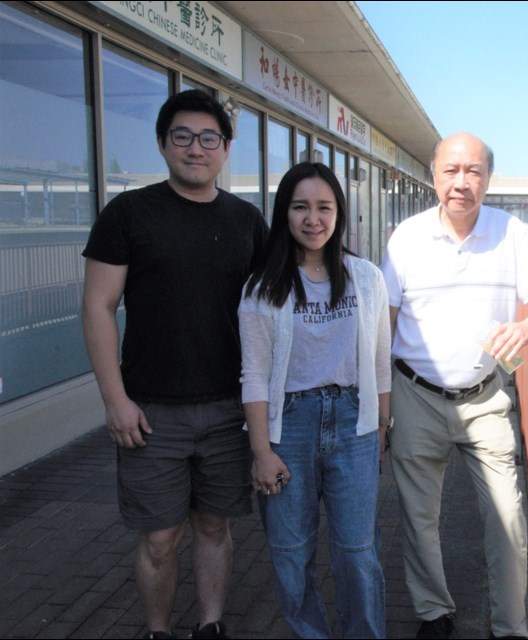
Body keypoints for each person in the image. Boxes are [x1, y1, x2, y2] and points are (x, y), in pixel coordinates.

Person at [81, 89, 268, 639]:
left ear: (226, 149)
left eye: (209, 138)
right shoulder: (128, 214)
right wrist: (115, 401)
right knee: (160, 538)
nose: (195, 148)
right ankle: (158, 630)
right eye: (182, 136)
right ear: (164, 144)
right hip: (150, 413)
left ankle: (210, 625)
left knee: (214, 525)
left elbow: (270, 312)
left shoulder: (246, 221)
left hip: (228, 408)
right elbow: (97, 306)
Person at [380, 132, 528, 639]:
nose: (462, 182)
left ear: (487, 178)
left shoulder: (511, 232)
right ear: (434, 175)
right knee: (418, 519)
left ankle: (510, 627)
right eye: (451, 171)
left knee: (508, 522)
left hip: (485, 397)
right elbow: (384, 324)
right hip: (415, 393)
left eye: (474, 171)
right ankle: (434, 613)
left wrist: (527, 327)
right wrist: (380, 404)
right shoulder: (407, 238)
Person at [238, 162, 391, 638]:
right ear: (284, 213)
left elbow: (381, 358)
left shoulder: (365, 278)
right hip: (291, 425)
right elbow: (256, 375)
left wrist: (381, 426)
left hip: (354, 422)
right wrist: (261, 451)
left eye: (324, 207)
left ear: (339, 213)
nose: (313, 218)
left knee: (357, 550)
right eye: (300, 207)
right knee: (290, 549)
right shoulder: (263, 287)